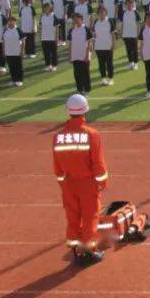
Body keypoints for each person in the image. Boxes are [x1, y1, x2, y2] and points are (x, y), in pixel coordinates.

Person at [53, 94, 109, 265]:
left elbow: (57, 165)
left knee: (72, 216)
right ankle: (88, 250)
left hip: (69, 183)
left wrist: (64, 184)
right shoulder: (92, 134)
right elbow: (98, 164)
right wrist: (102, 182)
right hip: (88, 183)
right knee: (90, 216)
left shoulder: (58, 136)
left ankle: (75, 248)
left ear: (69, 112)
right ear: (85, 111)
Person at [68, 13, 94, 95]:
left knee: (85, 73)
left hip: (84, 56)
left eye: (76, 18)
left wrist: (87, 55)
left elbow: (89, 43)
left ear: (81, 19)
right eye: (74, 19)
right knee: (77, 73)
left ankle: (87, 89)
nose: (75, 20)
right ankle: (79, 89)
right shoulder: (72, 30)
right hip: (75, 56)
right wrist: (70, 56)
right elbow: (70, 44)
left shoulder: (86, 29)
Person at [93, 7, 115, 86]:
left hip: (108, 47)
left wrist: (113, 45)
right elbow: (94, 35)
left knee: (109, 64)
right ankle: (103, 79)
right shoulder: (96, 22)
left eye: (103, 12)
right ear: (98, 13)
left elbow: (112, 34)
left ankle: (110, 78)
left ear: (106, 13)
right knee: (101, 64)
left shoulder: (109, 21)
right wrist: (93, 45)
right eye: (100, 12)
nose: (102, 13)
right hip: (98, 47)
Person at [3, 15, 24, 86]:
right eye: (9, 21)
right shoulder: (5, 31)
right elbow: (3, 41)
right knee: (11, 67)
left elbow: (23, 41)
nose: (11, 22)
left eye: (12, 21)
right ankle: (13, 79)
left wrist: (22, 51)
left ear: (15, 22)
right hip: (9, 52)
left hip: (17, 52)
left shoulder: (18, 30)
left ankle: (19, 80)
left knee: (18, 67)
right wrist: (4, 51)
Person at [40, 3, 59, 73]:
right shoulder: (42, 16)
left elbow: (57, 28)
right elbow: (41, 27)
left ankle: (54, 65)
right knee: (46, 53)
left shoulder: (54, 16)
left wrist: (57, 38)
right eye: (45, 7)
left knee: (54, 53)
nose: (47, 9)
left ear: (51, 8)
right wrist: (41, 37)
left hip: (52, 38)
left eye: (48, 7)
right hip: (44, 38)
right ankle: (48, 65)